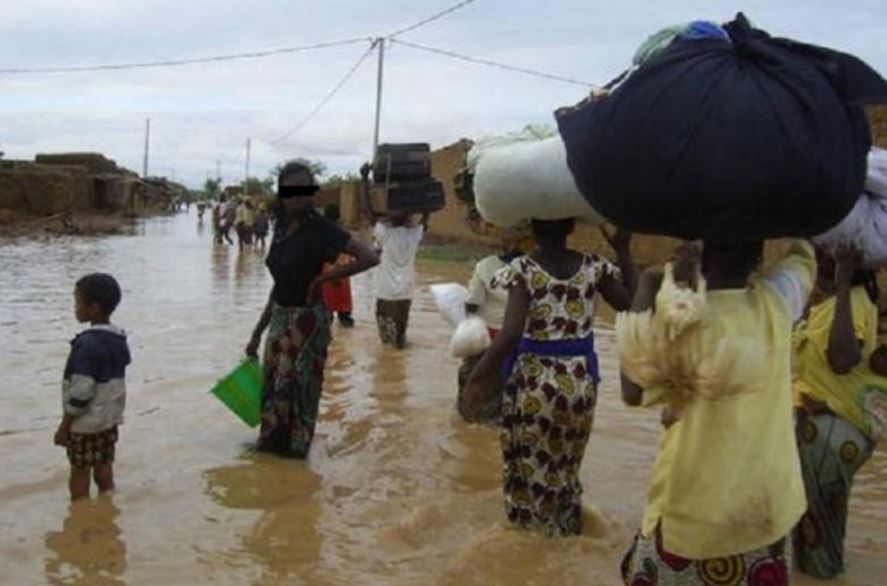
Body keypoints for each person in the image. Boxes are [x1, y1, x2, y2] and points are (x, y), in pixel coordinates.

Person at [617, 240, 815, 585]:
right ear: (757, 257)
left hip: (687, 519)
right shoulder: (777, 304)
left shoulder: (678, 319)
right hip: (762, 515)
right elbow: (803, 258)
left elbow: (632, 389)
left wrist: (651, 283)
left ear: (698, 256)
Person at [463, 219, 635, 536]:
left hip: (535, 383)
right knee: (566, 468)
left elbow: (510, 333)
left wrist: (477, 378)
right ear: (571, 225)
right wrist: (623, 249)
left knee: (528, 470)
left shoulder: (523, 269)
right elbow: (633, 306)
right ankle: (566, 537)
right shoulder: (595, 266)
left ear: (530, 226)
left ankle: (531, 550)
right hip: (580, 383)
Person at [245, 161, 378, 458]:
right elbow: (278, 285)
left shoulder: (321, 229)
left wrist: (324, 277)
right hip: (280, 318)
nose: (298, 197)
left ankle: (295, 457)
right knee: (273, 388)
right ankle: (270, 453)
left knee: (299, 391)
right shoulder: (279, 228)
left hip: (308, 322)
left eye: (304, 190)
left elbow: (370, 257)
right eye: (291, 190)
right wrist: (257, 334)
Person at [792, 245, 885, 579]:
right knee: (810, 532)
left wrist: (844, 282)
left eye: (826, 251)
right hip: (821, 433)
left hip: (829, 437)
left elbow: (842, 359)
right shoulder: (830, 305)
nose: (819, 255)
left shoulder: (855, 302)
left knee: (820, 546)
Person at [54, 273, 131, 501]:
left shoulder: (87, 344)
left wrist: (65, 426)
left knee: (79, 470)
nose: (75, 308)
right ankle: (107, 501)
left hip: (84, 424)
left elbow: (81, 391)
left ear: (93, 308)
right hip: (109, 419)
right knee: (104, 463)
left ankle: (80, 512)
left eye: (77, 302)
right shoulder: (118, 339)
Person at [457, 227, 527, 423]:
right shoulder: (535, 269)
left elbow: (472, 304)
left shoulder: (486, 266)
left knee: (471, 388)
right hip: (521, 343)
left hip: (488, 341)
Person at [360, 163, 428, 349]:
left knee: (387, 344)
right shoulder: (414, 234)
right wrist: (423, 187)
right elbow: (427, 214)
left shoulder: (385, 233)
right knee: (399, 339)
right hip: (405, 292)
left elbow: (367, 211)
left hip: (387, 292)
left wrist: (364, 180)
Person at [321, 204, 356, 327]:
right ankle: (345, 318)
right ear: (339, 216)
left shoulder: (321, 232)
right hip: (343, 271)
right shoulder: (345, 232)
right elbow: (353, 254)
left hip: (326, 272)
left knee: (326, 307)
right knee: (343, 302)